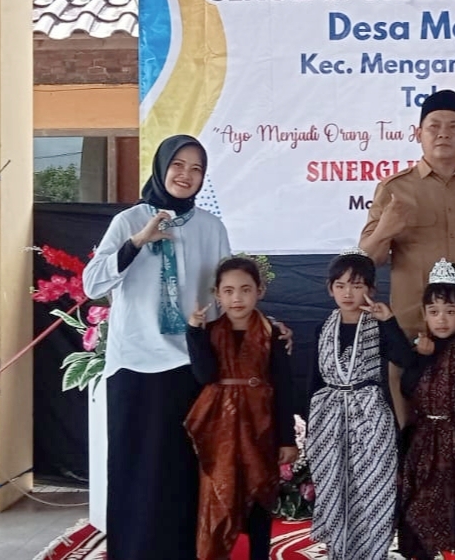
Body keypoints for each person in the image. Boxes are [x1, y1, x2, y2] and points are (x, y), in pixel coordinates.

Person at [82, 134, 230, 560]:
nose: (186, 175)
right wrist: (137, 242)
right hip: (134, 363)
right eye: (178, 165)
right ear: (162, 168)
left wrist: (251, 324)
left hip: (188, 364)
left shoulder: (210, 227)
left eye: (196, 169)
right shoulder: (129, 220)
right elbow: (93, 284)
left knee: (181, 471)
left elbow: (224, 293)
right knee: (134, 468)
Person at [360, 89, 455, 422]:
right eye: (434, 126)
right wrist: (385, 230)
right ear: (418, 133)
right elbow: (367, 261)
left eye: (453, 127)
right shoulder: (394, 188)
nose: (443, 133)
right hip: (411, 333)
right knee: (409, 430)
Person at [185, 257, 298, 560]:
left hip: (261, 424)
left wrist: (287, 439)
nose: (237, 298)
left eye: (245, 289)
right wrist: (194, 332)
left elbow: (284, 386)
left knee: (260, 492)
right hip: (219, 426)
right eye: (229, 291)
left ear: (260, 291)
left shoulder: (273, 334)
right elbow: (205, 376)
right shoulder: (209, 331)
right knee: (219, 491)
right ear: (217, 295)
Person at [304, 249, 413, 560]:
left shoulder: (378, 324)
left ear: (371, 289)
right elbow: (314, 379)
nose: (348, 293)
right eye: (340, 285)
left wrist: (389, 321)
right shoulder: (323, 327)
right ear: (330, 289)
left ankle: (373, 552)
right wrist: (311, 427)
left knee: (372, 486)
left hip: (370, 415)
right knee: (335, 487)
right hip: (329, 417)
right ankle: (340, 551)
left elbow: (405, 359)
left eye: (356, 285)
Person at [399, 259, 455, 559]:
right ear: (425, 314)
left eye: (450, 312)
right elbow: (407, 388)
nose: (441, 320)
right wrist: (421, 358)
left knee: (454, 502)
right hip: (424, 438)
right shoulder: (420, 348)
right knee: (418, 500)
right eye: (434, 312)